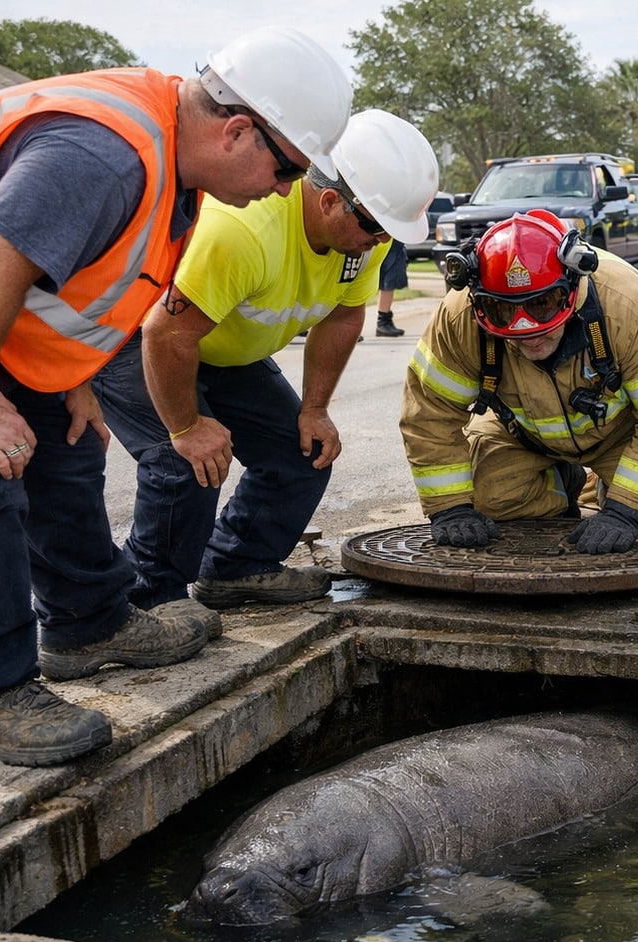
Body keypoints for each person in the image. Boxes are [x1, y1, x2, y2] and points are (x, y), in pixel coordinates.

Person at [0, 26, 352, 768]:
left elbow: (78, 283)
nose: (286, 191)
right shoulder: (108, 153)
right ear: (239, 131)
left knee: (65, 440)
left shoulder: (172, 167)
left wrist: (73, 379)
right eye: (286, 170)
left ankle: (88, 626)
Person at [94, 110, 438, 612]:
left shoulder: (362, 242)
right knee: (185, 461)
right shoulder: (239, 232)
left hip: (220, 348)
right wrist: (187, 425)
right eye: (376, 228)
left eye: (389, 231)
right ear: (329, 201)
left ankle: (236, 567)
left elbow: (343, 317)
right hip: (139, 340)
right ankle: (146, 602)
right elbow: (167, 332)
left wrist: (315, 408)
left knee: (302, 451)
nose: (382, 242)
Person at [401, 209, 638, 554]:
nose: (525, 327)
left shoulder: (627, 305)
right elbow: (429, 415)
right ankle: (564, 483)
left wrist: (626, 510)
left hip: (621, 434)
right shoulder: (460, 316)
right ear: (481, 301)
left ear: (571, 286)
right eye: (503, 310)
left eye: (542, 304)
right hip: (521, 433)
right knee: (486, 499)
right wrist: (449, 509)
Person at [375, 239, 410, 337]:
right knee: (389, 281)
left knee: (388, 282)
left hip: (390, 242)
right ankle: (383, 322)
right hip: (390, 242)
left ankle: (384, 320)